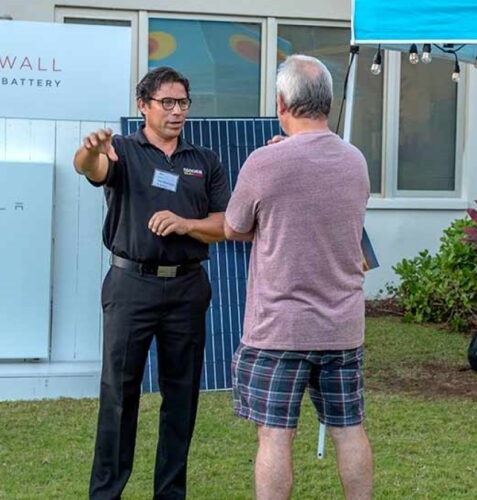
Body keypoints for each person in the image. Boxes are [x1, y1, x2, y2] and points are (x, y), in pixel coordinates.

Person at [75, 66, 230, 500]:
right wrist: (90, 151)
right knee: (119, 395)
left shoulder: (204, 162)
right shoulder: (122, 150)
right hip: (131, 288)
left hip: (186, 289)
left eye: (183, 103)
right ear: (143, 105)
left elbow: (223, 224)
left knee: (181, 399)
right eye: (167, 102)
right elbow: (90, 168)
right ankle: (106, 493)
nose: (176, 111)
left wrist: (185, 224)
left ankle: (170, 493)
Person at [224, 55, 373, 500]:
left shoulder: (264, 162)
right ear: (327, 101)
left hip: (279, 329)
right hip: (342, 327)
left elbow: (234, 226)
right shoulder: (356, 161)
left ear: (282, 103)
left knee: (275, 436)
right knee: (349, 430)